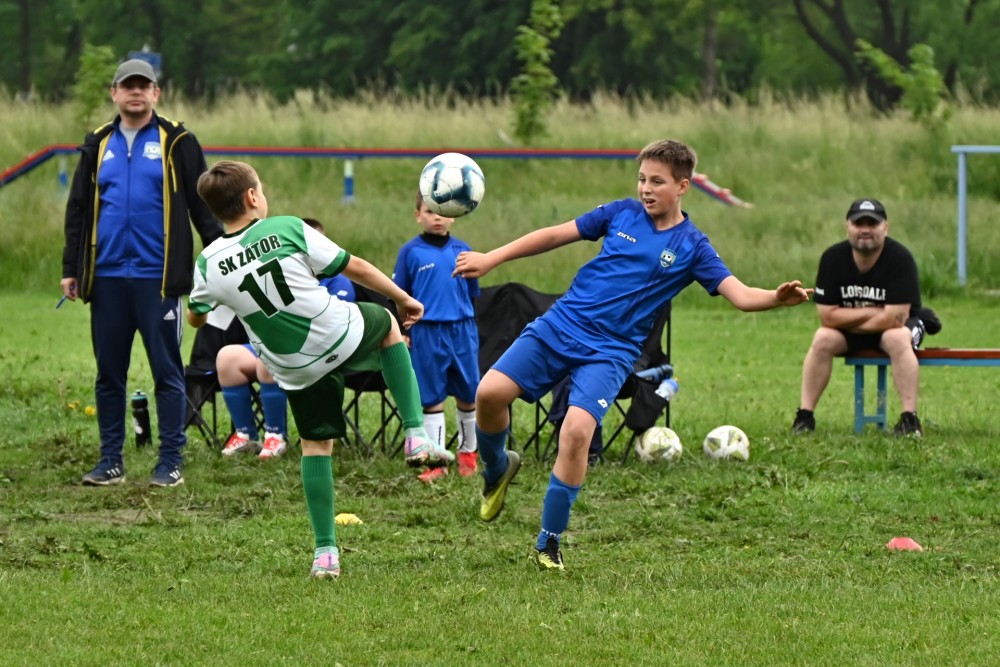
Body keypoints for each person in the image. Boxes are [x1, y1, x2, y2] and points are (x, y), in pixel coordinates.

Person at [452, 139, 812, 571]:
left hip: (610, 351)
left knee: (576, 432)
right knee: (489, 393)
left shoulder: (693, 247)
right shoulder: (620, 213)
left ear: (683, 186)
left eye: (657, 182)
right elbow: (554, 235)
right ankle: (496, 468)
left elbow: (740, 295)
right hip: (561, 324)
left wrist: (776, 297)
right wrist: (493, 257)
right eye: (642, 179)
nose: (645, 189)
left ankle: (549, 542)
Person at [188, 160, 453, 578]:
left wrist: (206, 309)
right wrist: (404, 299)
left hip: (294, 367)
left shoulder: (208, 263)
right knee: (386, 325)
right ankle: (416, 435)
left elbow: (197, 316)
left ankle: (326, 554)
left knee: (315, 447)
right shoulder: (287, 228)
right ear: (253, 197)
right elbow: (355, 267)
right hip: (337, 333)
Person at [61, 58, 222, 488]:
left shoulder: (178, 141)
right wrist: (70, 268)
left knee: (167, 372)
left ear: (156, 93)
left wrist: (221, 255)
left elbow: (202, 204)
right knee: (108, 374)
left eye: (143, 85)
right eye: (127, 85)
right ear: (114, 93)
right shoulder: (97, 143)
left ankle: (170, 462)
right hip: (108, 278)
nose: (135, 92)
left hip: (159, 279)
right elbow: (78, 209)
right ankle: (110, 461)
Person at [216, 217, 355, 460]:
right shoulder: (276, 273)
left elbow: (336, 324)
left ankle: (275, 436)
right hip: (274, 343)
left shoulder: (337, 279)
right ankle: (246, 434)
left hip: (319, 349)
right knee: (227, 358)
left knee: (271, 357)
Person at [792, 198, 932, 437]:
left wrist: (847, 317)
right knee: (823, 337)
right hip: (853, 330)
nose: (865, 229)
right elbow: (826, 317)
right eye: (859, 223)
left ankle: (909, 419)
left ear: (885, 227)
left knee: (897, 337)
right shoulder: (832, 258)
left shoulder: (900, 258)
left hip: (897, 329)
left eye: (872, 223)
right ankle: (805, 418)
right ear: (847, 226)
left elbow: (895, 320)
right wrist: (875, 311)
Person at [392, 195, 480, 483]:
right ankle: (437, 461)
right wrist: (404, 330)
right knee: (431, 398)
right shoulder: (410, 252)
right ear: (418, 215)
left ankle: (469, 455)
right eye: (430, 211)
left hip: (462, 331)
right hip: (427, 332)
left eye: (442, 212)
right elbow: (400, 295)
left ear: (453, 215)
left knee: (468, 396)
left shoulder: (464, 250)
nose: (437, 217)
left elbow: (473, 294)